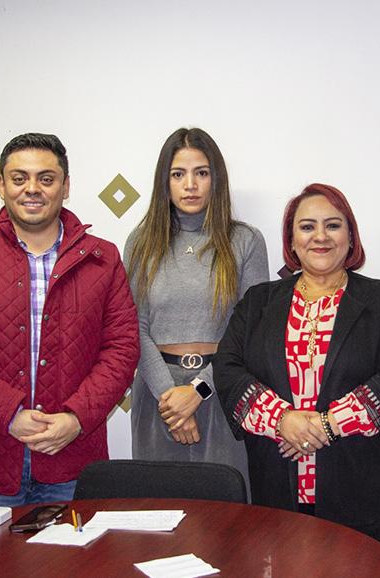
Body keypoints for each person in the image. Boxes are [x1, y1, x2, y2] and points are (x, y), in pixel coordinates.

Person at [0, 133, 139, 515]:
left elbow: (122, 349)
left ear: (65, 187)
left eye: (46, 178)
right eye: (19, 178)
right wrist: (8, 415)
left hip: (72, 464)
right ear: (1, 185)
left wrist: (76, 418)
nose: (32, 189)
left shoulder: (102, 258)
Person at [214, 183, 380, 544]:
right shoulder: (259, 301)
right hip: (276, 484)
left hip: (358, 484)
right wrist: (283, 421)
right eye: (307, 227)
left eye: (333, 225)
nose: (320, 236)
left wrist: (326, 426)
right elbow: (227, 368)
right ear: (291, 241)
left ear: (350, 237)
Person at [123, 128, 268, 486]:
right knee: (159, 509)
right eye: (178, 174)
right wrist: (170, 398)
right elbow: (134, 328)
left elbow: (252, 331)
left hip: (223, 390)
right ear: (165, 181)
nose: (190, 185)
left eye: (201, 173)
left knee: (226, 510)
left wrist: (199, 391)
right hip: (158, 400)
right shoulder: (141, 242)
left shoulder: (245, 240)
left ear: (216, 178)